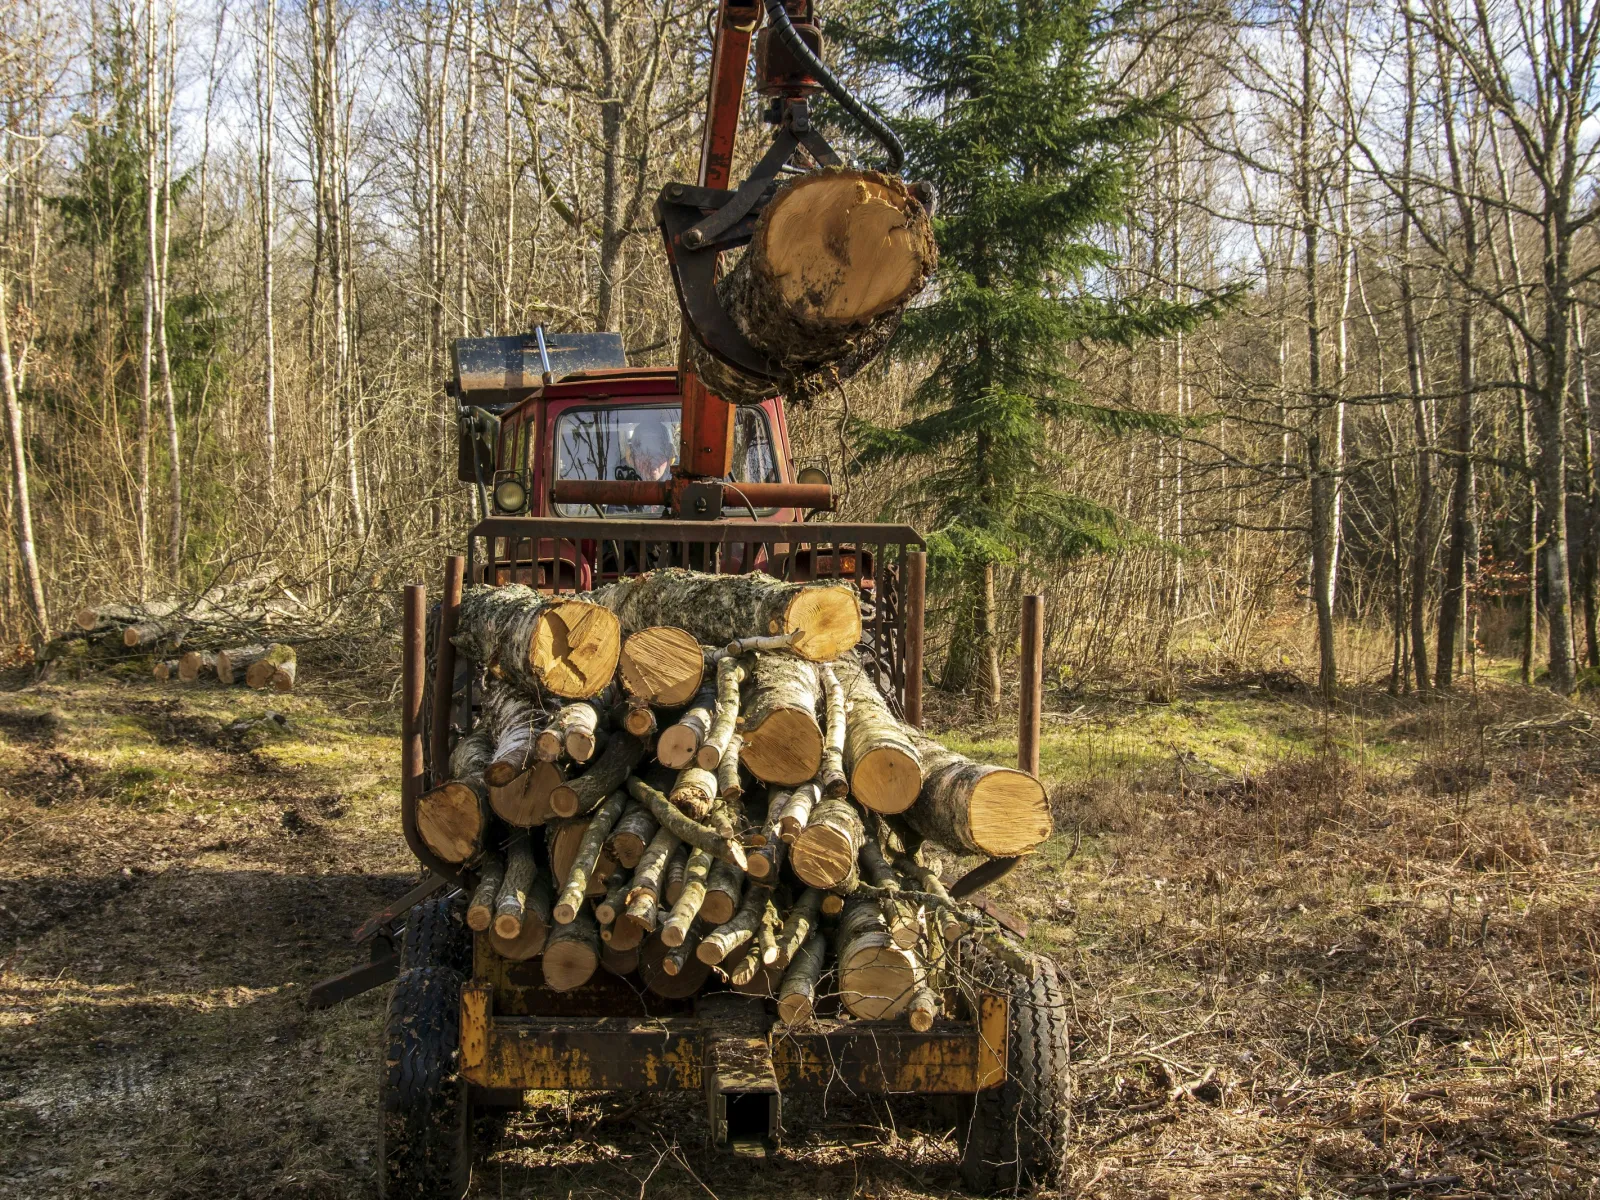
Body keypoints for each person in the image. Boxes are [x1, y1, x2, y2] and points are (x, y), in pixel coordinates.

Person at [616, 417, 676, 483]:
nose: (652, 461)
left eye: (659, 454)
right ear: (631, 458)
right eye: (644, 453)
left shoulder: (681, 486)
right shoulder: (616, 483)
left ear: (670, 458)